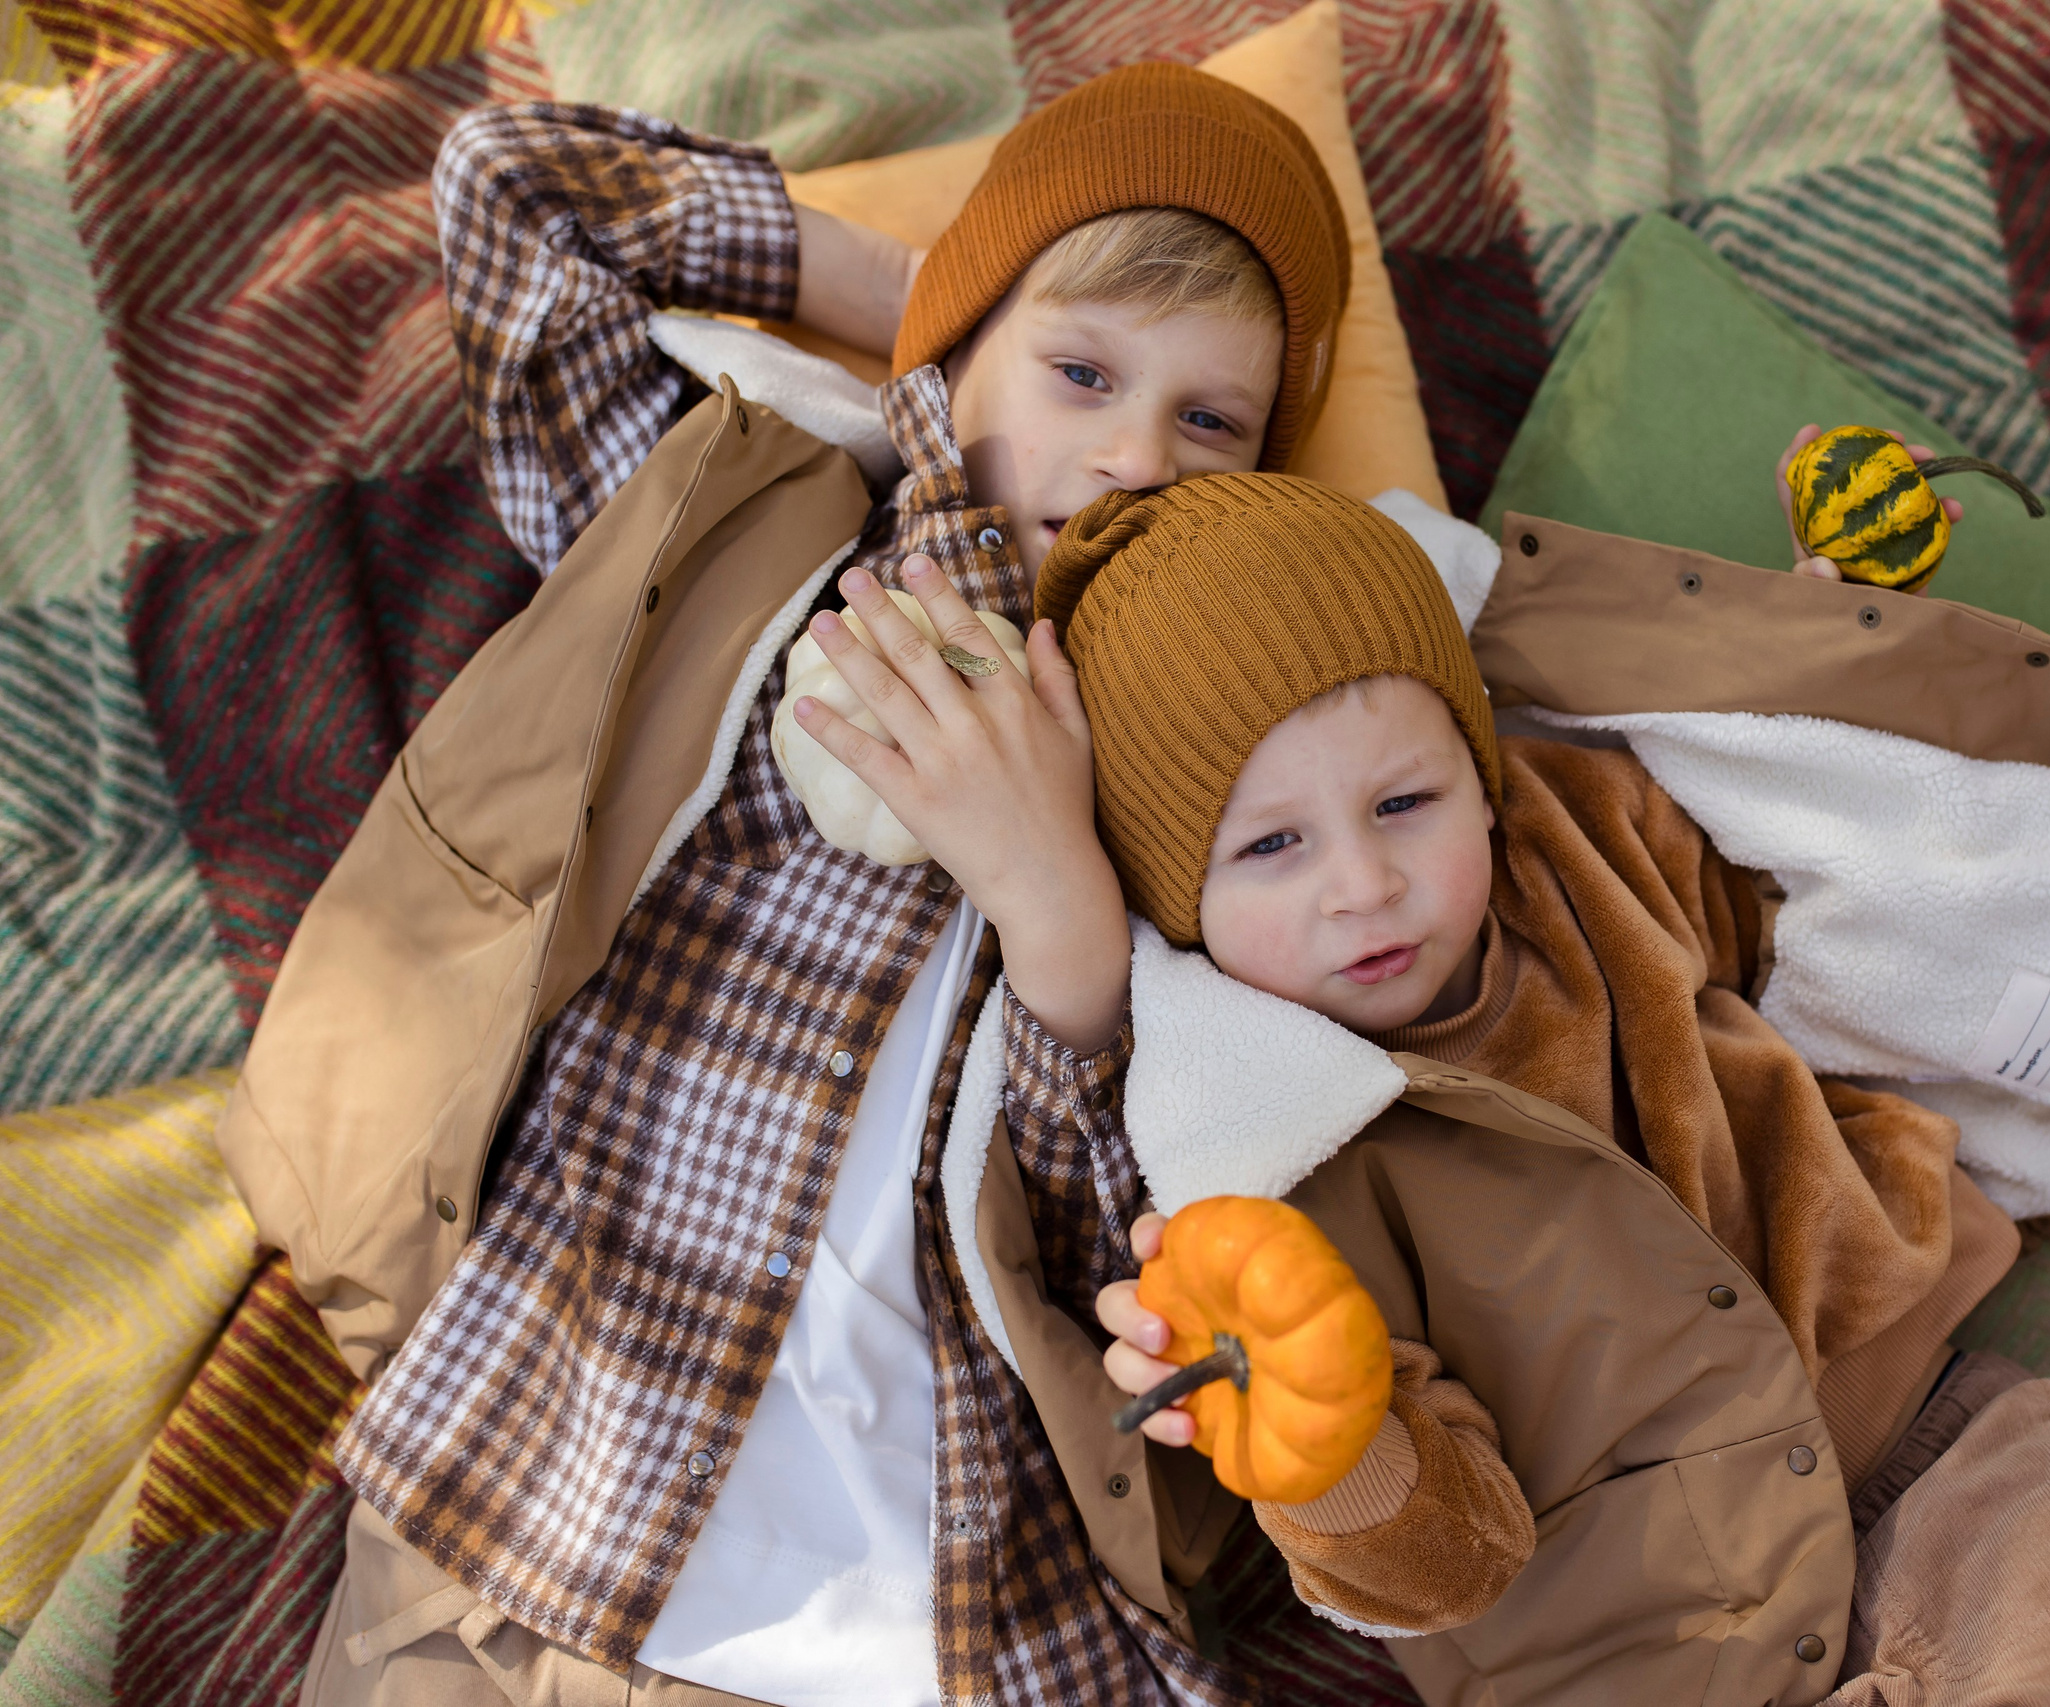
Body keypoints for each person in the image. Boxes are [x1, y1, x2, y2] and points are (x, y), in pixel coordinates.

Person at [792, 470, 2050, 1703]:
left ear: (1479, 768)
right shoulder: (1260, 1154)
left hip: (1921, 1447)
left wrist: (1823, 665)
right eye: (1270, 849)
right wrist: (1330, 1458)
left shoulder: (1581, 842)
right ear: (1168, 893)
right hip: (1645, 1655)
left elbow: (1813, 853)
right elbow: (1438, 1566)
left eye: (1406, 800)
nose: (1365, 885)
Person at [226, 63, 1369, 1707]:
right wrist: (927, 298)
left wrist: (1062, 924)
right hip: (535, 1492)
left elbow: (1154, 1237)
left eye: (1211, 421)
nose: (1132, 455)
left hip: (938, 1600)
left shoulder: (1224, 770)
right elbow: (511, 186)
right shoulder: (748, 532)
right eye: (1079, 370)